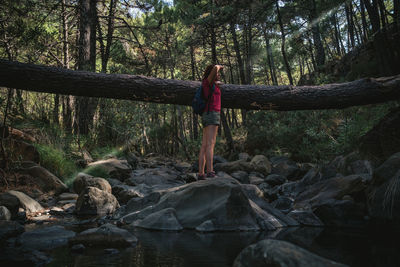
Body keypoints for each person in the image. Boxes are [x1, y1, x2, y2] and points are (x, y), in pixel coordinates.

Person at [198, 64, 223, 180]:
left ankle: (201, 173)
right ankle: (210, 171)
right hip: (212, 114)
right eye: (217, 74)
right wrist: (219, 66)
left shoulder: (208, 84)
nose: (218, 75)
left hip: (207, 114)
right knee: (210, 144)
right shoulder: (208, 82)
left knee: (204, 145)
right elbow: (215, 68)